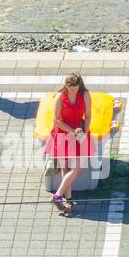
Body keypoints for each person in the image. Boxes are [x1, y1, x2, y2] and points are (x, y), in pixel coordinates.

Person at [46, 73, 92, 215]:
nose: (73, 91)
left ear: (80, 85)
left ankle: (58, 195)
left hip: (79, 132)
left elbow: (88, 115)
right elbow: (56, 120)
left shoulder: (84, 95)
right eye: (71, 89)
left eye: (76, 88)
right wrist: (74, 131)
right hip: (63, 132)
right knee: (65, 168)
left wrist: (84, 131)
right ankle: (68, 201)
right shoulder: (60, 97)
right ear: (66, 86)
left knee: (77, 167)